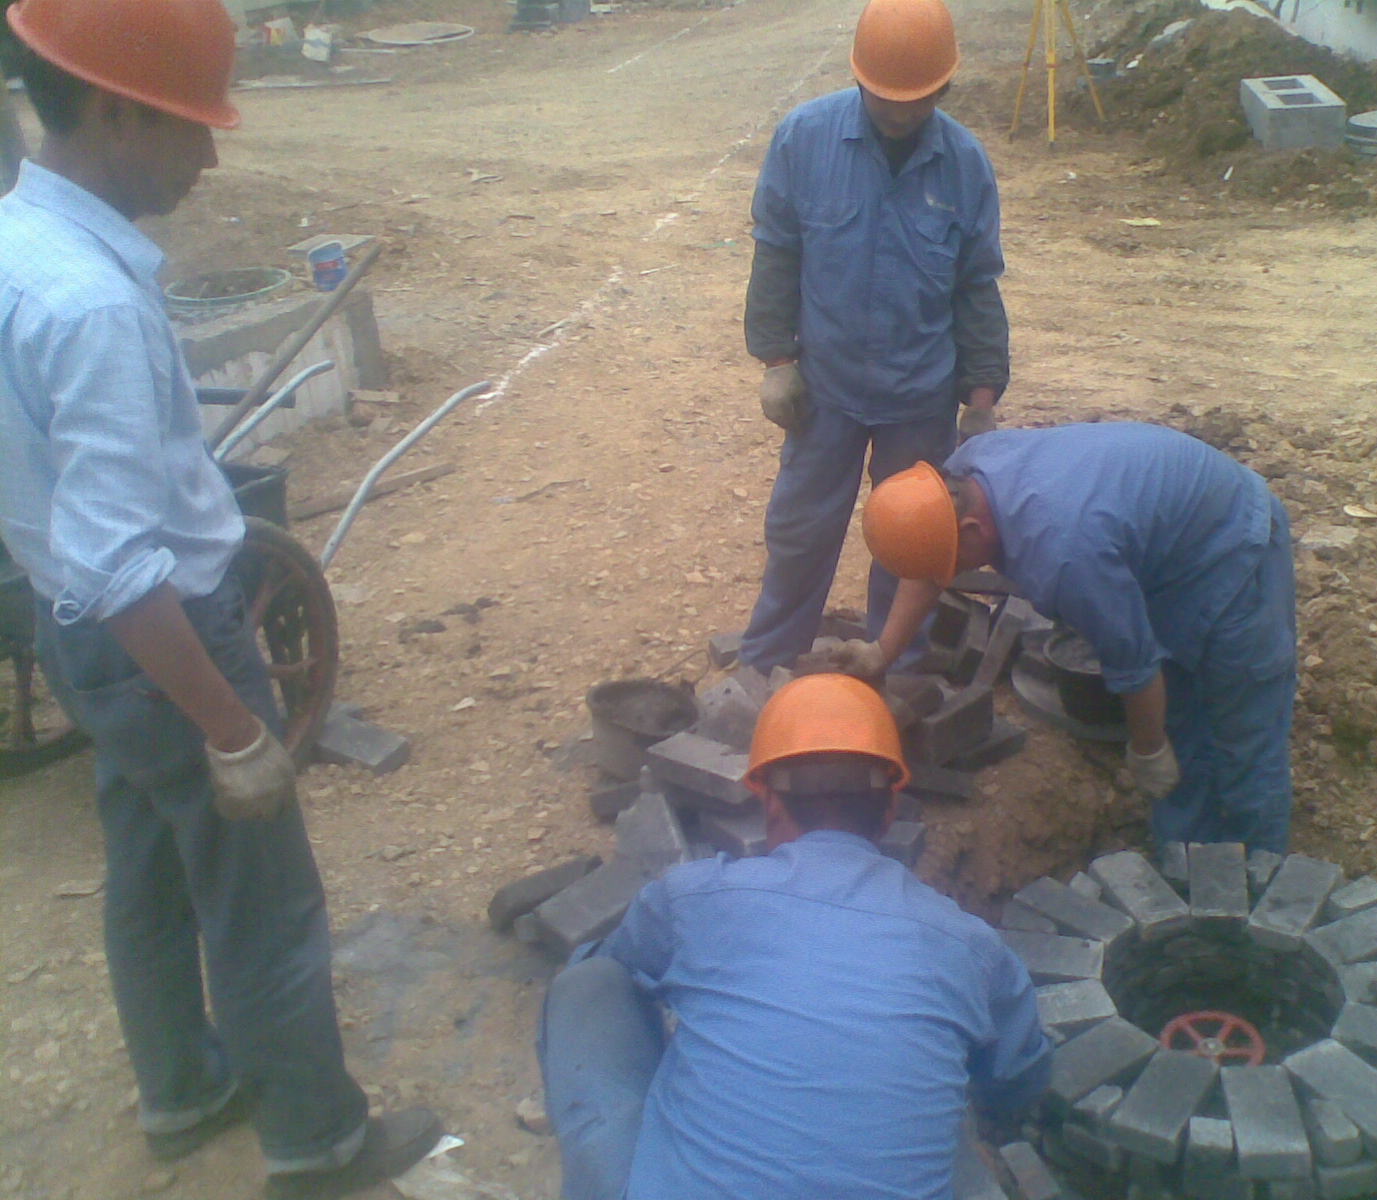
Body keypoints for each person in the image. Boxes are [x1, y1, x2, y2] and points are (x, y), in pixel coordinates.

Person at [0, 1, 439, 1194]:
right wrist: (234, 727)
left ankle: (182, 1090)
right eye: (191, 126)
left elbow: (73, 538)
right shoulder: (90, 305)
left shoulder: (19, 245)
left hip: (75, 637)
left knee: (148, 861)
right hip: (166, 640)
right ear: (113, 111)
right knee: (261, 899)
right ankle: (318, 1142)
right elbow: (121, 562)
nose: (207, 156)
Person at [538, 673, 1050, 1200]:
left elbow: (621, 967)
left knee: (589, 982)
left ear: (771, 805)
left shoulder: (694, 897)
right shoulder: (971, 946)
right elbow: (1021, 1075)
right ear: (890, 811)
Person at [849, 423, 1297, 854]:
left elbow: (1135, 666)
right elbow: (929, 568)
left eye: (955, 564)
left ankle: (1261, 873)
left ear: (972, 531)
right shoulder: (963, 477)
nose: (952, 577)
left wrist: (1147, 750)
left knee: (1245, 726)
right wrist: (881, 653)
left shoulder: (1065, 554)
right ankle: (1187, 858)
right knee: (1181, 712)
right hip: (1164, 543)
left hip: (1233, 542)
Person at [739, 0, 1010, 673]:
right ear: (859, 77)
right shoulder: (804, 140)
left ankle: (895, 667)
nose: (897, 112)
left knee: (913, 540)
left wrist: (981, 400)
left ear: (944, 88)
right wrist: (777, 359)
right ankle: (769, 662)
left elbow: (976, 287)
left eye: (915, 100)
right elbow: (778, 251)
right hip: (825, 389)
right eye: (884, 96)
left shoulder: (964, 165)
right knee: (801, 531)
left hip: (919, 396)